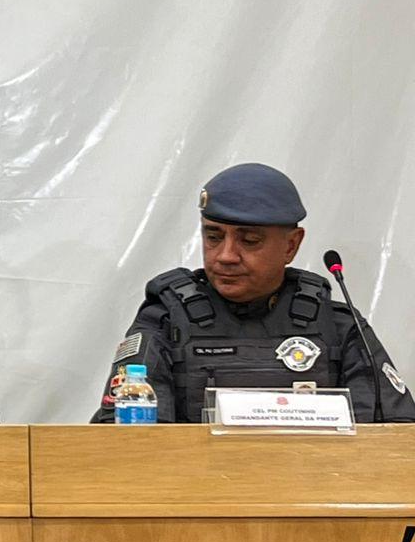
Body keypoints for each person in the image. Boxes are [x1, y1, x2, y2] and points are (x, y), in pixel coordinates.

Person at [91, 163, 413, 423]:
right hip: (200, 495)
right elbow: (125, 436)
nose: (226, 255)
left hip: (314, 494)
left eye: (249, 241)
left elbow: (395, 435)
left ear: (291, 245)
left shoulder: (335, 324)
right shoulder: (165, 317)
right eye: (213, 237)